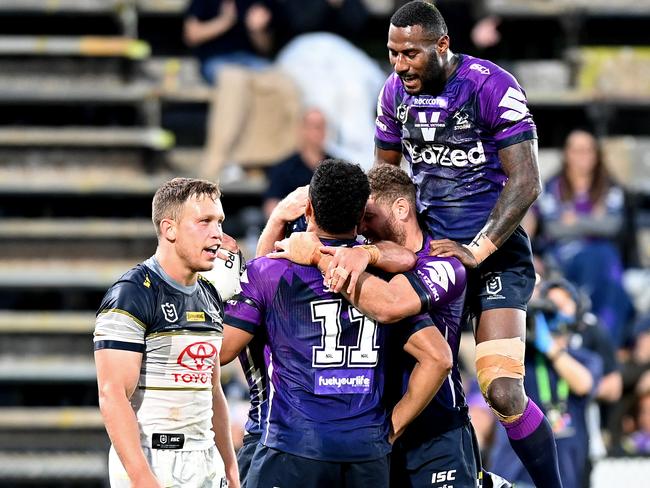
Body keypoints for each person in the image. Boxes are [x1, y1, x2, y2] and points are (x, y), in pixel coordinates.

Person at [373, 2, 563, 486]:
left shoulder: (490, 84)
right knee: (416, 381)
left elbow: (526, 183)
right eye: (393, 54)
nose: (400, 65)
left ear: (442, 45)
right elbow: (388, 180)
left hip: (494, 254)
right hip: (433, 256)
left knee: (501, 391)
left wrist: (476, 250)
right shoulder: (393, 94)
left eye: (410, 53)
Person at [277, 164, 512, 487]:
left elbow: (391, 305)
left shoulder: (443, 261)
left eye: (369, 216)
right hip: (370, 435)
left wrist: (390, 431)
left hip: (435, 433)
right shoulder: (362, 260)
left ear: (401, 208)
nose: (361, 226)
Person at [220, 159, 446, 488]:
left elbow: (224, 349)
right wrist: (389, 431)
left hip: (293, 446)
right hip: (366, 455)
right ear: (361, 217)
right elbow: (438, 358)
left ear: (308, 209)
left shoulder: (271, 271)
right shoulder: (384, 280)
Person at [93, 178, 239, 488]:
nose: (218, 233)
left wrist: (229, 466)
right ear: (169, 229)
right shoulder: (132, 293)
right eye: (204, 222)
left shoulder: (210, 294)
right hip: (153, 459)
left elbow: (212, 391)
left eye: (219, 221)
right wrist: (144, 479)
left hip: (204, 459)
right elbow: (112, 395)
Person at [489, 278, 603, 488]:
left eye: (562, 303)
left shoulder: (586, 359)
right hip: (517, 474)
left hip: (566, 476)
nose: (554, 307)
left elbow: (584, 384)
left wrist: (550, 347)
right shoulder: (525, 357)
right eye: (549, 302)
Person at [528, 128, 634, 345]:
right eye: (576, 150)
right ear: (566, 154)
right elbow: (553, 228)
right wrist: (593, 221)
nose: (582, 156)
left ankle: (603, 340)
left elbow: (612, 226)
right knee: (600, 260)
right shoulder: (552, 187)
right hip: (563, 257)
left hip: (603, 259)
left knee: (605, 263)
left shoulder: (608, 187)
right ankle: (594, 338)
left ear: (596, 154)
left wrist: (574, 220)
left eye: (587, 150)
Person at [184, 0, 273, 84]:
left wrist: (256, 31)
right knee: (234, 79)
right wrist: (225, 21)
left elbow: (265, 48)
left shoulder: (255, 3)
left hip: (249, 60)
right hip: (216, 60)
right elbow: (191, 36)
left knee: (274, 77)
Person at [263, 108, 329, 218]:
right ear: (302, 129)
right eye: (314, 126)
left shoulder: (338, 167)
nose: (319, 131)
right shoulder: (283, 169)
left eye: (322, 126)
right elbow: (271, 207)